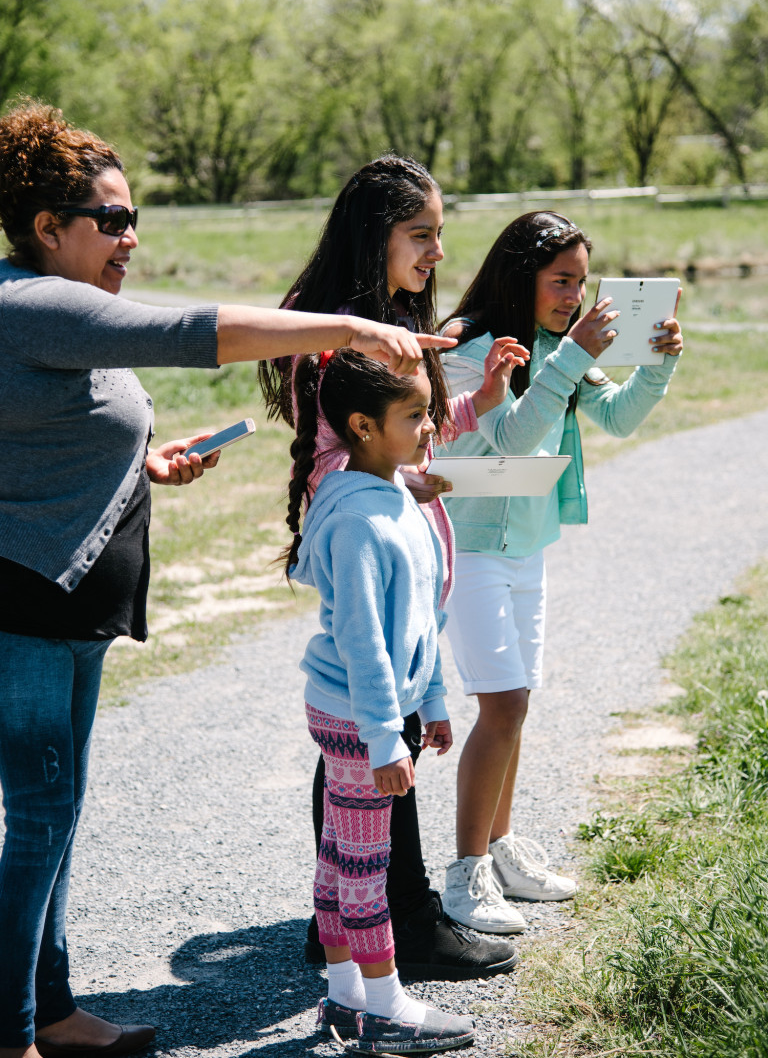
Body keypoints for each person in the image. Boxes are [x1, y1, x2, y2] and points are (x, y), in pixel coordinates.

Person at [0, 101, 452, 1058]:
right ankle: (11, 1032)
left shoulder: (52, 315)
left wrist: (146, 466)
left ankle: (51, 1009)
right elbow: (191, 332)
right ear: (47, 229)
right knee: (39, 817)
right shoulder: (32, 300)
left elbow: (40, 440)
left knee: (58, 811)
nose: (132, 236)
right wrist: (356, 329)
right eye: (111, 220)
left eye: (134, 216)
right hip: (28, 607)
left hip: (68, 606)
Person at [258, 154, 524, 980]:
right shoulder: (330, 329)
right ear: (376, 236)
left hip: (399, 554)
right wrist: (403, 480)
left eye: (440, 235)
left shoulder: (383, 318)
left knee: (363, 740)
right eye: (422, 234)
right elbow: (356, 446)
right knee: (375, 739)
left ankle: (339, 917)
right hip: (368, 557)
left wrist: (476, 404)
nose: (438, 253)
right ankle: (400, 920)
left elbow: (416, 433)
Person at [436, 210, 684, 935]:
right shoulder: (468, 346)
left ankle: (502, 850)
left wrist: (658, 363)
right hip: (472, 547)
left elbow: (618, 418)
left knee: (517, 705)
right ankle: (464, 877)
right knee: (503, 704)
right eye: (561, 280)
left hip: (529, 547)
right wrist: (570, 355)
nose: (574, 295)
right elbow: (510, 433)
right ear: (523, 275)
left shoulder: (557, 344)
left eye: (581, 281)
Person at [285, 347, 475, 1054]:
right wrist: (383, 736)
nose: (432, 427)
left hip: (367, 710)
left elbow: (419, 616)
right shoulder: (360, 521)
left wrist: (431, 699)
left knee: (341, 857)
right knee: (367, 868)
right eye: (417, 415)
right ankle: (384, 1006)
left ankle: (343, 997)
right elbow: (367, 642)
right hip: (361, 715)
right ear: (363, 425)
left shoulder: (392, 491)